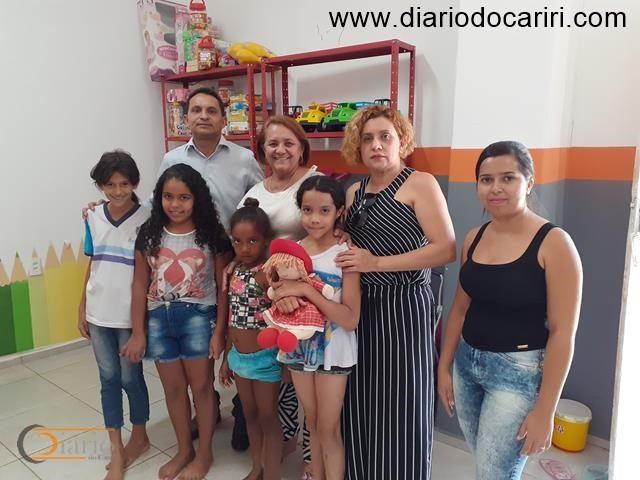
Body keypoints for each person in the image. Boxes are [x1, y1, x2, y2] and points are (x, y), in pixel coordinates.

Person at [437, 141, 583, 480]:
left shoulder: (555, 243)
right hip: (467, 366)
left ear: (528, 183)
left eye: (508, 178)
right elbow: (459, 309)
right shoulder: (474, 237)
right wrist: (444, 367)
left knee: (496, 472)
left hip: (517, 374)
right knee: (487, 465)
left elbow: (563, 333)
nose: (495, 188)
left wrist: (545, 410)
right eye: (486, 180)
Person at [335, 105, 456, 480]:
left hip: (404, 307)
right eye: (367, 138)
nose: (376, 145)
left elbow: (446, 249)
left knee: (403, 399)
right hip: (360, 308)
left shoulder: (420, 183)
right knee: (360, 396)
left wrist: (376, 263)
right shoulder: (354, 191)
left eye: (385, 136)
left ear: (401, 141)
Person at [121, 163, 232, 480]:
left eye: (184, 197)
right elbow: (139, 284)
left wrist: (220, 332)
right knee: (172, 389)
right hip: (158, 320)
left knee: (202, 388)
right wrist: (138, 332)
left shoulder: (212, 234)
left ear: (197, 199)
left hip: (198, 318)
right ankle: (184, 449)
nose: (175, 204)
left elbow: (223, 287)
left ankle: (205, 453)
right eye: (168, 196)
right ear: (159, 198)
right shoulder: (149, 232)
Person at [238, 115, 322, 475]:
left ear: (301, 147)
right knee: (280, 377)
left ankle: (312, 456)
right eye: (272, 143)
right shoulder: (255, 192)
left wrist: (292, 284)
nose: (280, 149)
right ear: (262, 150)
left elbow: (326, 234)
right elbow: (243, 236)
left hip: (304, 295)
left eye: (289, 142)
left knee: (307, 378)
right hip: (264, 296)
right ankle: (284, 442)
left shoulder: (313, 182)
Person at [275, 176, 361, 480]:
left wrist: (307, 291)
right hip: (299, 349)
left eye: (325, 211)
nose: (315, 218)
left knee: (328, 428)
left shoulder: (345, 254)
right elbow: (278, 293)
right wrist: (285, 298)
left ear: (339, 212)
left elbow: (350, 318)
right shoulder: (292, 253)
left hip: (334, 352)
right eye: (307, 210)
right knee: (311, 422)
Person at [78, 150, 151, 480]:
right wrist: (82, 305)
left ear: (135, 183)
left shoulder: (147, 218)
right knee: (107, 379)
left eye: (124, 184)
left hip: (129, 316)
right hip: (98, 314)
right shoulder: (92, 216)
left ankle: (140, 435)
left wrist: (141, 325)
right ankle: (117, 448)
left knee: (130, 378)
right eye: (110, 185)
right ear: (100, 186)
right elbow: (92, 263)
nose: (117, 191)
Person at [219, 198, 283, 480]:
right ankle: (256, 467)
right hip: (239, 358)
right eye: (238, 241)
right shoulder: (234, 271)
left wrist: (285, 361)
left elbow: (283, 319)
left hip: (265, 359)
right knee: (249, 414)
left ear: (266, 240)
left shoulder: (268, 274)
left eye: (252, 241)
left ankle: (272, 473)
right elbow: (232, 318)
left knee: (268, 417)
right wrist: (226, 359)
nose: (244, 248)